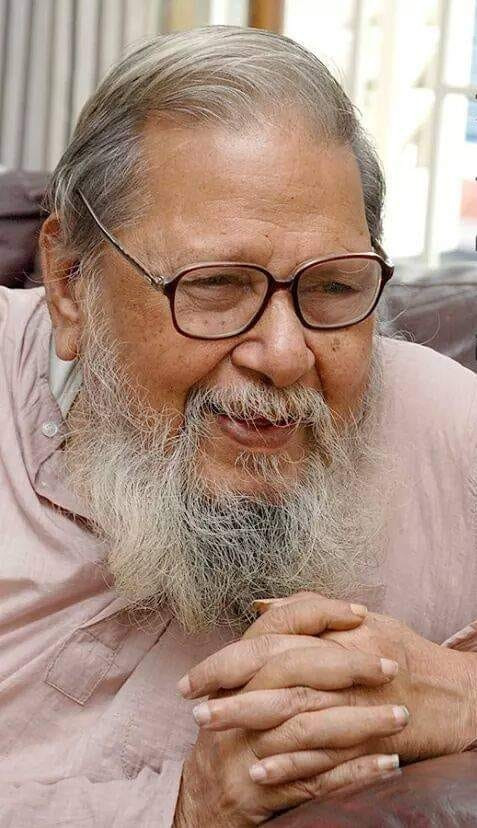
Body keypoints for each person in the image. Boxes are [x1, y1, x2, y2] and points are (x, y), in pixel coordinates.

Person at [1, 25, 476, 827]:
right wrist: (176, 815)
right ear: (70, 283)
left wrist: (458, 692)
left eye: (332, 287)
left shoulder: (437, 420)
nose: (284, 355)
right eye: (215, 286)